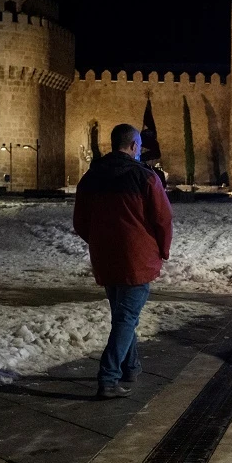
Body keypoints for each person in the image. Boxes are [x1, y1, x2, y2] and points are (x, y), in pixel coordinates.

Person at [73, 124, 173, 399]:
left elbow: (80, 221)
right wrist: (162, 250)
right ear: (132, 146)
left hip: (106, 259)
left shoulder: (91, 178)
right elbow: (163, 219)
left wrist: (99, 243)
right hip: (136, 259)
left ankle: (131, 366)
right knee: (127, 318)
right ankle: (108, 377)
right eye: (139, 146)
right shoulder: (145, 177)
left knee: (122, 315)